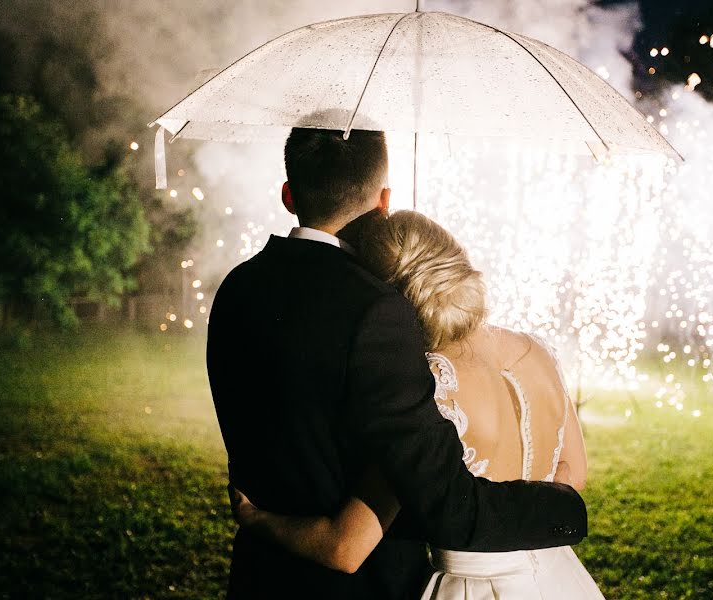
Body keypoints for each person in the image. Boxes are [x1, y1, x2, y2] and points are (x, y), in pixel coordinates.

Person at [206, 119, 588, 599]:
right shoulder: (379, 313)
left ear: (288, 195)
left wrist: (258, 520)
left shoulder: (235, 289)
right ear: (383, 202)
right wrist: (564, 512)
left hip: (260, 579)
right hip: (368, 587)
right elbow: (444, 503)